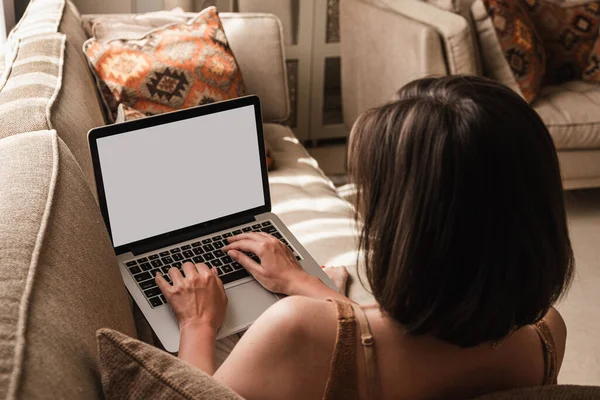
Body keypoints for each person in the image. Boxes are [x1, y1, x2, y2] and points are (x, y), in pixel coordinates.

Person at [154, 75, 574, 399]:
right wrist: (304, 283)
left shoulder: (294, 330)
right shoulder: (547, 335)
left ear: (410, 234)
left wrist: (197, 323)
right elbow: (387, 343)